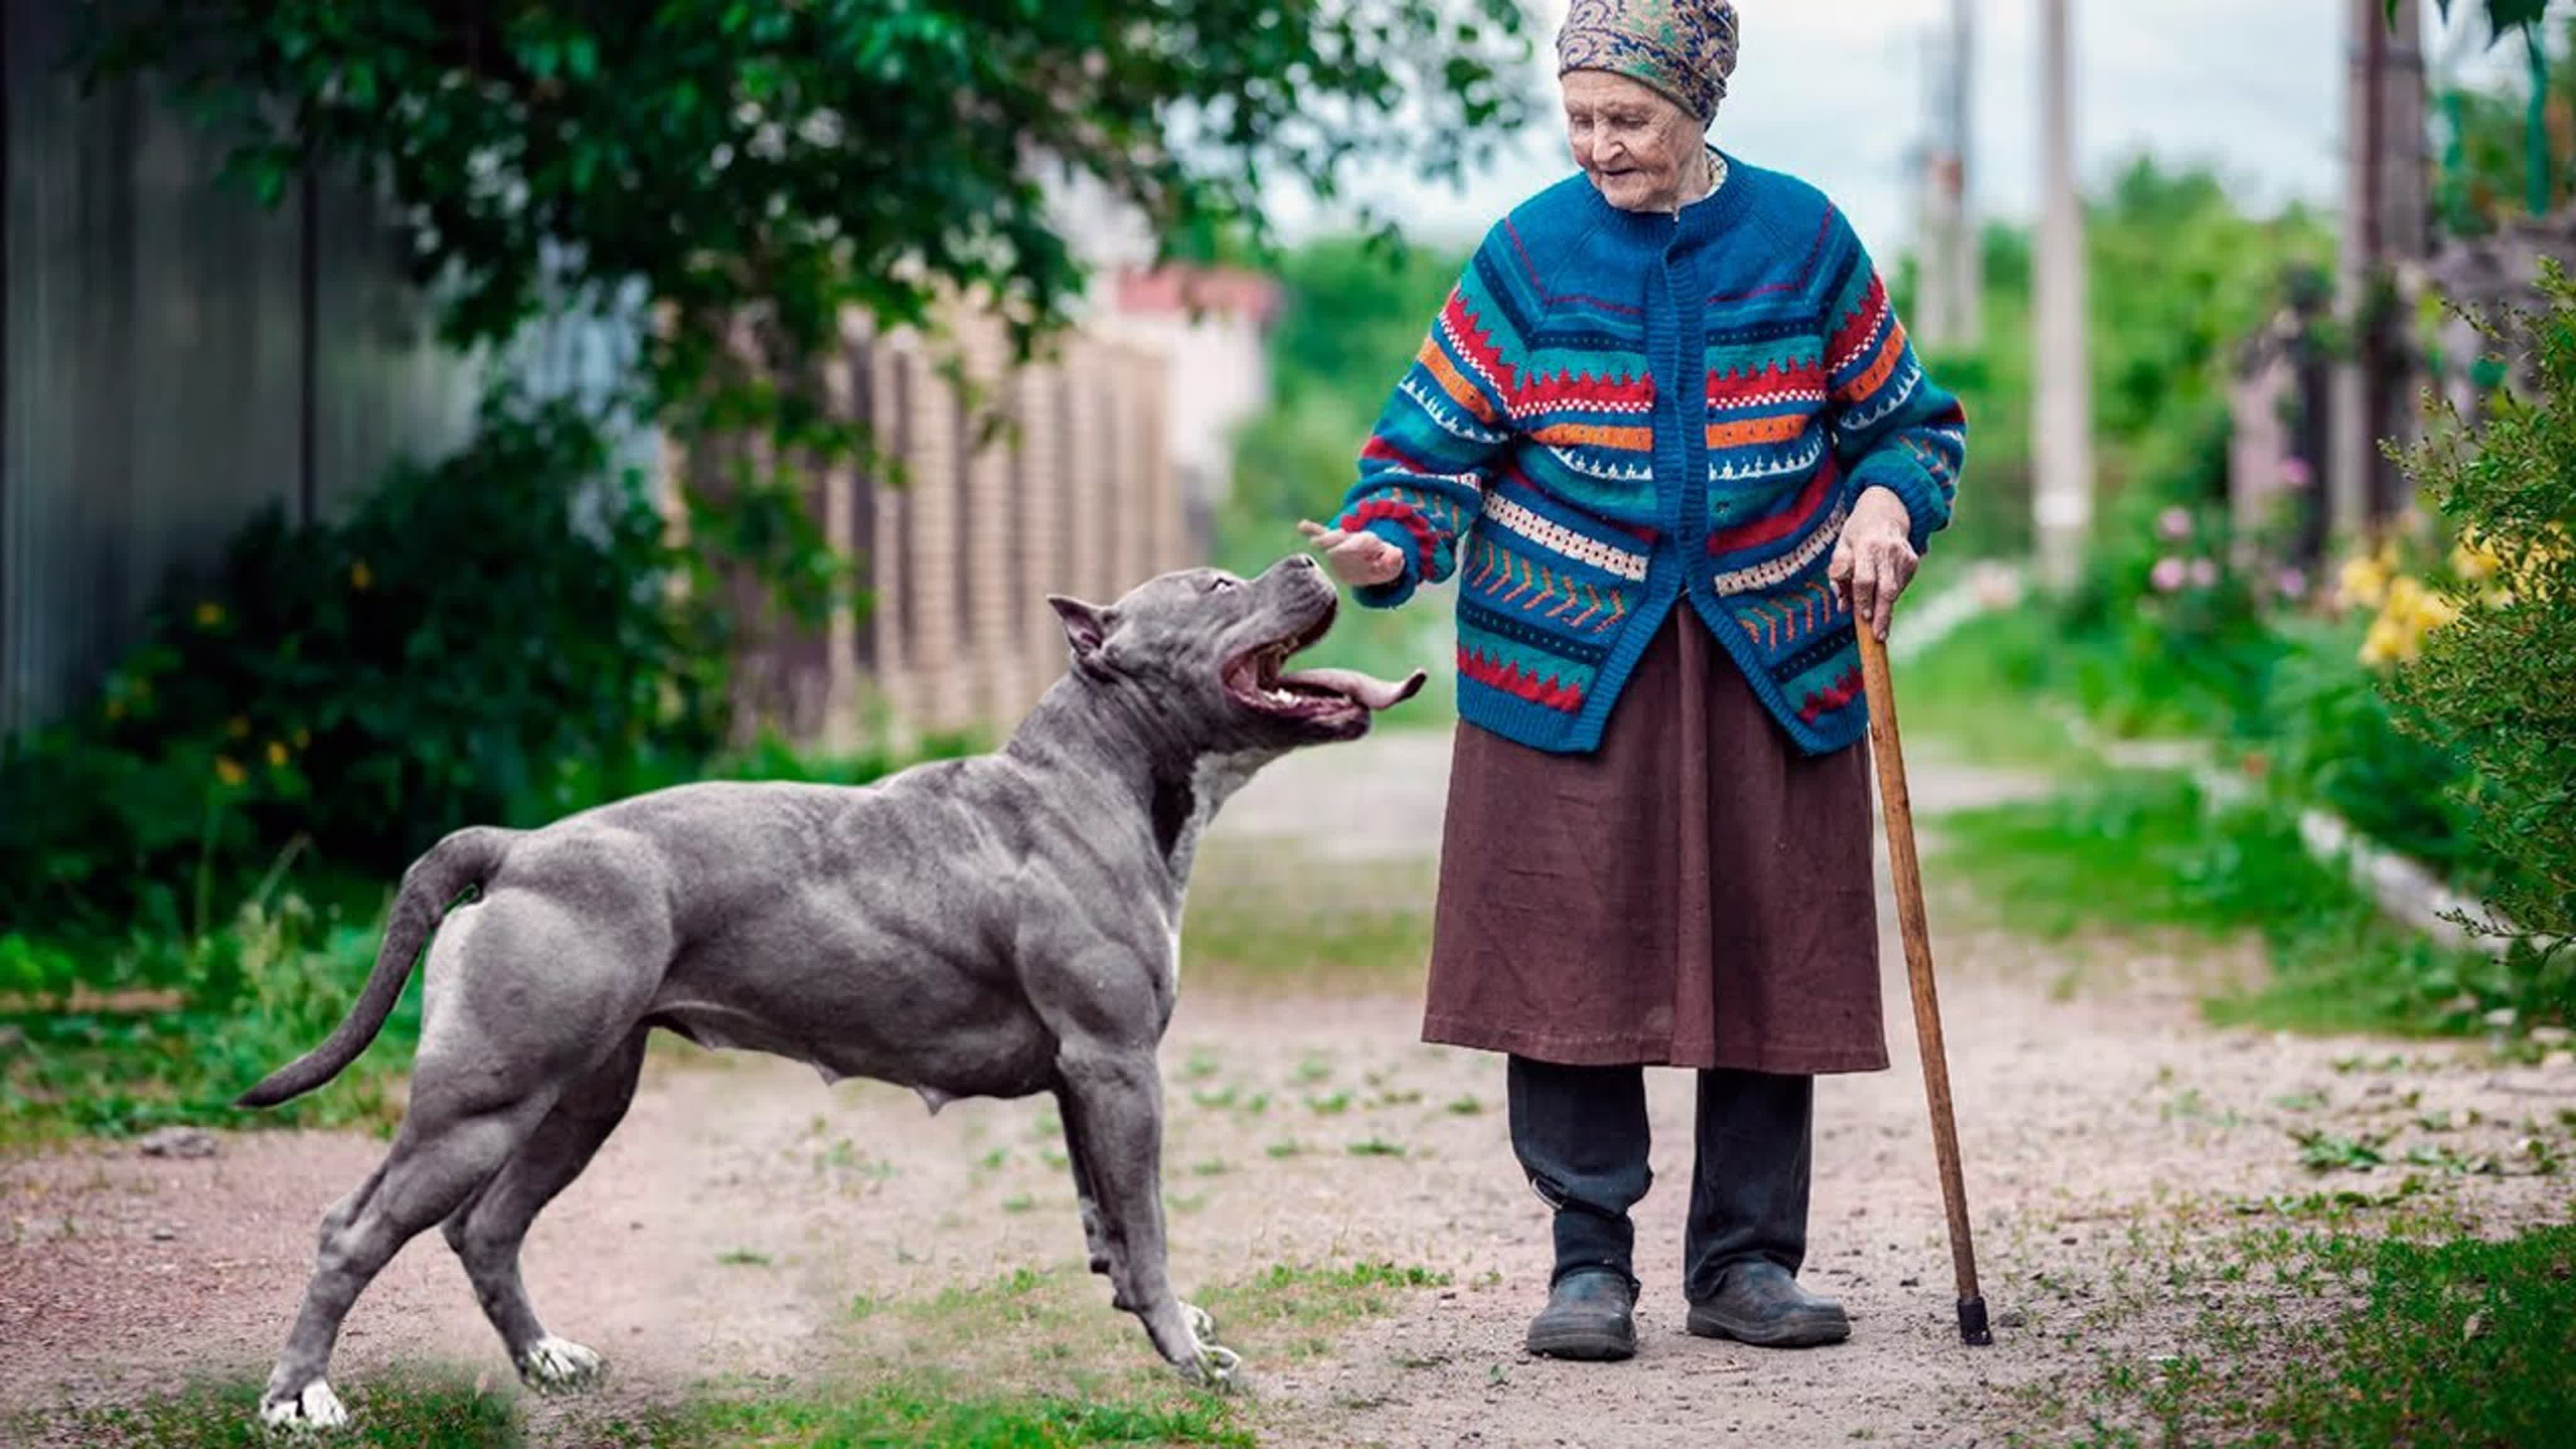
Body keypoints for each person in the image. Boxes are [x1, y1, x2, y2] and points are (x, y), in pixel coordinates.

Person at [1297, 0, 1967, 1362]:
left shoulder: (1803, 238)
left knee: (1769, 951)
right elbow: (1425, 460)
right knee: (1561, 945)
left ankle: (1740, 1265)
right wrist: (1384, 548)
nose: (1600, 147)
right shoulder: (1529, 256)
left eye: (1629, 121)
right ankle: (1586, 1265)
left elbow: (1909, 425)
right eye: (1582, 119)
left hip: (1767, 650)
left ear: (1699, 106)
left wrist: (1887, 505)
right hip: (1565, 652)